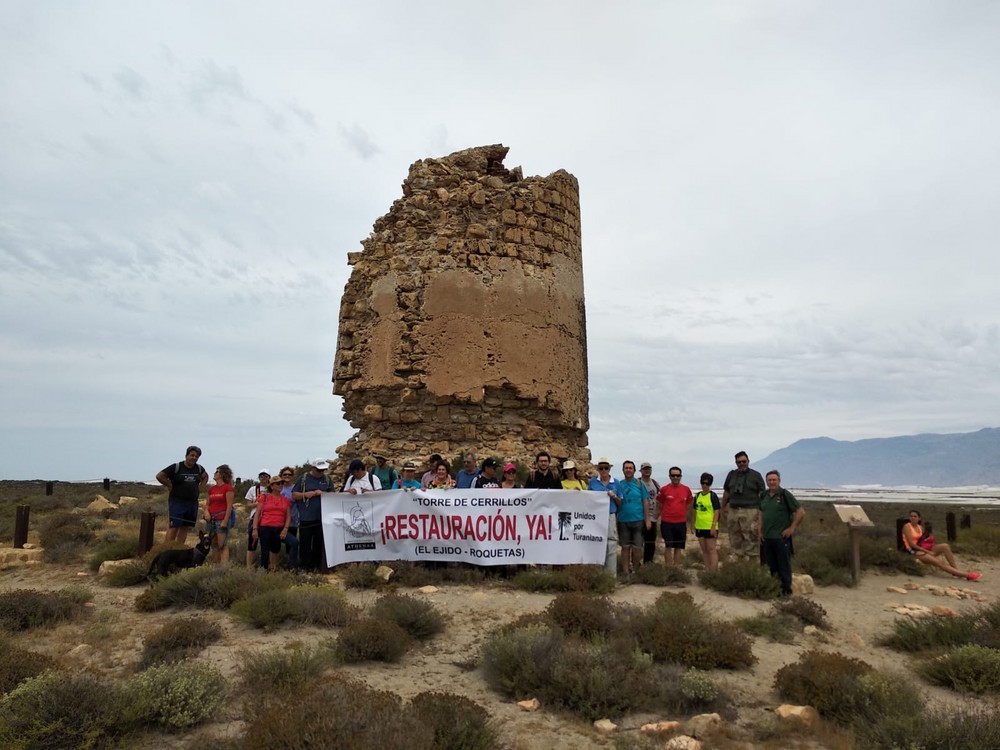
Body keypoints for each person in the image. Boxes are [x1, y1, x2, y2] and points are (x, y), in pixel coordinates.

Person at [757, 470, 805, 597]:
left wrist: (792, 528)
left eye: (774, 480)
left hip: (781, 538)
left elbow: (800, 512)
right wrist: (760, 531)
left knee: (784, 566)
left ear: (779, 481)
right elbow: (761, 512)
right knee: (772, 566)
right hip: (767, 538)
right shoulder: (764, 495)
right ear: (766, 481)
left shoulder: (785, 495)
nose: (772, 482)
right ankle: (775, 590)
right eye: (769, 480)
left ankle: (786, 593)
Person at [901, 509, 981, 581]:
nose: (913, 518)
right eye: (911, 516)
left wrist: (928, 542)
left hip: (921, 547)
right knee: (940, 562)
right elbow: (912, 544)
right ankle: (967, 575)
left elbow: (921, 541)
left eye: (915, 516)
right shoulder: (907, 527)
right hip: (913, 551)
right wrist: (928, 552)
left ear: (919, 518)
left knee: (945, 546)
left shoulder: (920, 527)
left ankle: (955, 570)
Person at [156, 446, 209, 544]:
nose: (194, 458)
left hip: (192, 503)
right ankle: (167, 550)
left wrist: (200, 487)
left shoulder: (199, 468)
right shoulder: (176, 467)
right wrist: (169, 484)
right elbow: (159, 476)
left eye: (196, 456)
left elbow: (205, 476)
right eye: (192, 455)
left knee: (184, 527)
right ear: (186, 455)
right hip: (177, 502)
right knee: (174, 527)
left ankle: (179, 549)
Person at [722, 451, 766, 561]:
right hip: (733, 510)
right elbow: (727, 491)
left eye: (744, 461)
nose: (741, 463)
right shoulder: (731, 475)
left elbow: (762, 494)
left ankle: (752, 566)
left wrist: (762, 511)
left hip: (751, 510)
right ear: (736, 463)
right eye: (739, 462)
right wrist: (723, 507)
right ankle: (739, 564)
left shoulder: (756, 475)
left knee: (751, 537)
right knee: (735, 536)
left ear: (748, 461)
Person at [293, 459, 335, 572]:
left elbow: (333, 495)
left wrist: (324, 494)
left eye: (323, 470)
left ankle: (316, 566)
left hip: (322, 518)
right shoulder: (303, 478)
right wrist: (306, 494)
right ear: (313, 468)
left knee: (318, 543)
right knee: (305, 543)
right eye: (318, 470)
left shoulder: (327, 480)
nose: (321, 473)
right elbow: (294, 495)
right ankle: (305, 566)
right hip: (306, 517)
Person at [617, 460, 650, 581]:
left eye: (630, 468)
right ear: (623, 470)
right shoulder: (619, 484)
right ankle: (626, 572)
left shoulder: (640, 484)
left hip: (638, 520)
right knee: (625, 548)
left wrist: (647, 520)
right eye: (626, 468)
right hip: (623, 520)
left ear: (634, 470)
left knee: (637, 548)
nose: (628, 470)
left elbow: (645, 502)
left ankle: (635, 571)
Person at [588, 458, 621, 577]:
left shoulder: (616, 482)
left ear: (609, 469)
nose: (603, 470)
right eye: (601, 468)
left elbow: (620, 502)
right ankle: (597, 574)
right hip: (596, 516)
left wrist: (614, 496)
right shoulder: (592, 482)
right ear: (597, 469)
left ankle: (611, 575)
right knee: (596, 542)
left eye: (605, 468)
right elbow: (588, 499)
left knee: (611, 543)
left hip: (610, 515)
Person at [253, 476, 292, 572]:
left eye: (281, 483)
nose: (281, 485)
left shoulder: (285, 500)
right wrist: (254, 529)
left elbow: (288, 516)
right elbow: (257, 514)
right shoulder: (264, 497)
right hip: (265, 527)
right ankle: (263, 571)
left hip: (278, 527)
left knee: (275, 549)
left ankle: (273, 568)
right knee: (265, 550)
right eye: (278, 484)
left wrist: (285, 528)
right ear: (272, 486)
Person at [656, 466, 693, 567]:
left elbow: (689, 502)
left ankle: (676, 567)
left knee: (678, 546)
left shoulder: (686, 489)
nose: (675, 477)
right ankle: (668, 567)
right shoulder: (664, 489)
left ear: (681, 476)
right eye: (673, 475)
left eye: (678, 475)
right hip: (667, 522)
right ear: (669, 476)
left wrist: (682, 511)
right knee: (668, 546)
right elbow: (659, 504)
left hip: (681, 522)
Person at [205, 464, 235, 563]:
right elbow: (207, 504)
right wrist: (206, 513)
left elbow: (229, 505)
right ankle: (214, 564)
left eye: (217, 471)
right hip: (211, 520)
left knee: (222, 544)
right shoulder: (211, 489)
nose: (214, 473)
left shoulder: (227, 488)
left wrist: (225, 521)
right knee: (213, 543)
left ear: (221, 474)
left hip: (221, 519)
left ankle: (224, 567)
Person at [693, 473, 721, 571]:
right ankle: (707, 570)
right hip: (700, 527)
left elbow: (717, 511)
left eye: (707, 483)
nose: (704, 485)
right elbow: (695, 511)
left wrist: (713, 526)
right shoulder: (697, 496)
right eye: (703, 483)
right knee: (704, 550)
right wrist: (693, 524)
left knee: (711, 549)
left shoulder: (713, 496)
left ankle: (713, 571)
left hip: (710, 527)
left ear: (710, 484)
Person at [277, 466, 300, 571]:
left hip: (293, 521)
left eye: (289, 474)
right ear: (281, 476)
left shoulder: (296, 488)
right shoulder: (278, 488)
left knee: (290, 547)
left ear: (292, 476)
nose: (287, 476)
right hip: (279, 522)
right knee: (278, 545)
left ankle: (289, 566)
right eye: (284, 474)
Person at [244, 470, 268, 568]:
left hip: (268, 518)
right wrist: (258, 504)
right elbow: (248, 504)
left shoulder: (272, 488)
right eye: (261, 476)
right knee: (252, 543)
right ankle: (249, 566)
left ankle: (266, 565)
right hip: (255, 518)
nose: (263, 478)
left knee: (266, 544)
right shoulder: (253, 489)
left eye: (265, 476)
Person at [638, 462, 661, 563]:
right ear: (641, 471)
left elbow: (660, 499)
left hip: (652, 518)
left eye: (649, 469)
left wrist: (658, 512)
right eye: (645, 469)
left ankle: (648, 564)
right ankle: (635, 564)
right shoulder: (637, 482)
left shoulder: (655, 484)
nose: (647, 471)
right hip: (638, 517)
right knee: (637, 544)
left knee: (650, 543)